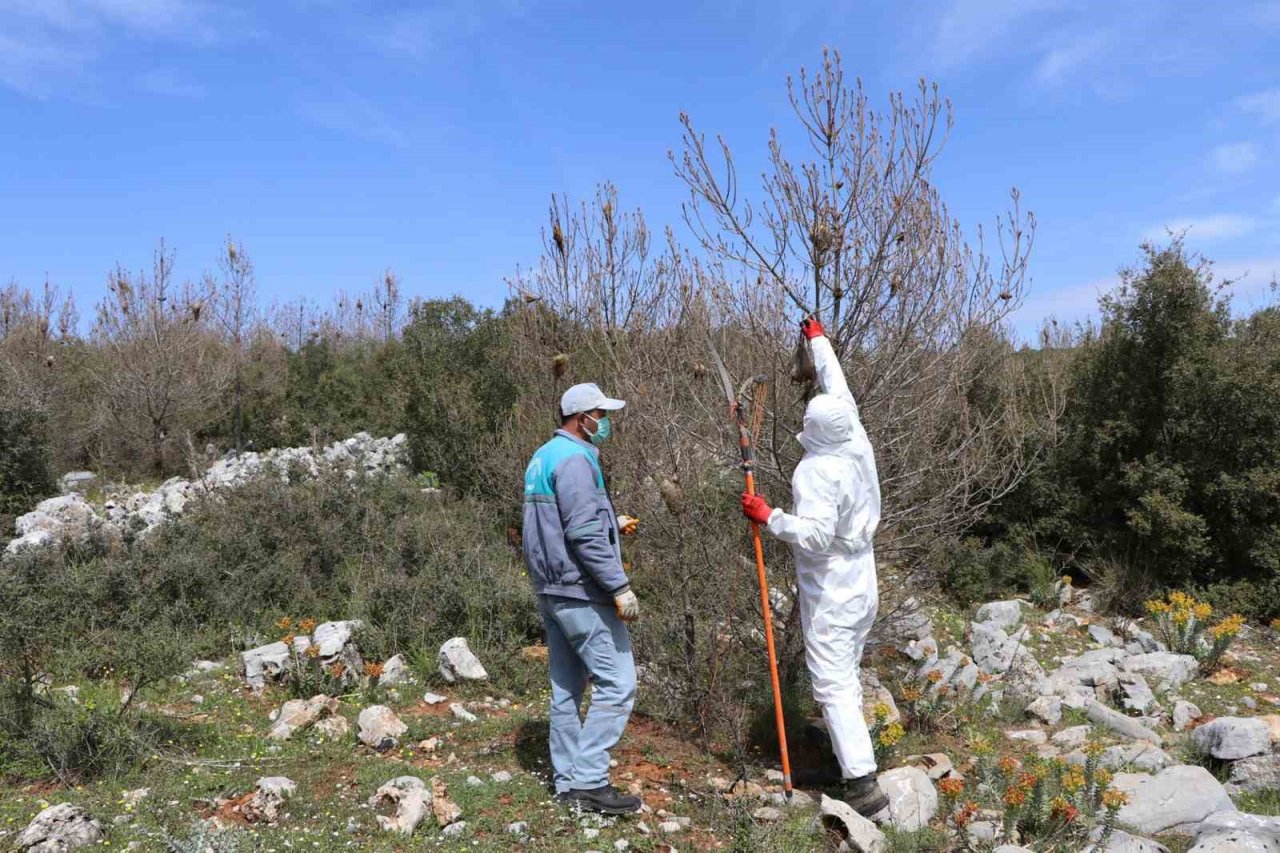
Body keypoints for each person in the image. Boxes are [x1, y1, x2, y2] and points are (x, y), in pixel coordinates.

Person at [740, 315, 889, 818]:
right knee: (846, 671)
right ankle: (849, 759)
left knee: (832, 680)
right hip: (864, 576)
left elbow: (818, 534)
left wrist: (770, 517)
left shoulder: (818, 472)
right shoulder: (855, 439)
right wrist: (818, 341)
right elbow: (837, 384)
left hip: (834, 585)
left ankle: (862, 784)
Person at [522, 382, 643, 814]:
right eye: (601, 413)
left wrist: (613, 520)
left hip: (551, 588)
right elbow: (582, 533)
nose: (605, 421)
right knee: (618, 684)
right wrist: (618, 585)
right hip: (580, 591)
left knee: (566, 690)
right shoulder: (575, 459)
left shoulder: (543, 456)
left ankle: (568, 781)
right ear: (581, 417)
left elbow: (558, 522)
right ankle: (591, 780)